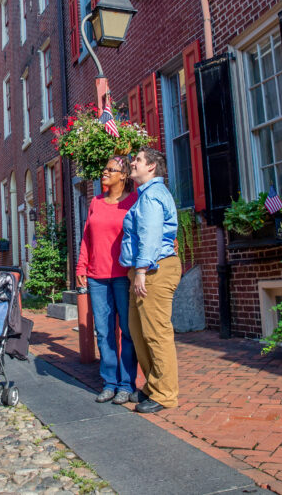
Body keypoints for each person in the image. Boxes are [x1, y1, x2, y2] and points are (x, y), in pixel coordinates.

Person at [120, 147, 180, 414]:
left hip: (154, 269)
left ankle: (165, 394)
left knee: (156, 333)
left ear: (152, 167)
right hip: (143, 270)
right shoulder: (144, 196)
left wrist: (141, 270)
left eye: (138, 160)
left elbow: (151, 236)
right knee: (138, 331)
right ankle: (153, 385)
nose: (133, 163)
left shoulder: (153, 196)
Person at [76, 155, 138, 405]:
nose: (104, 172)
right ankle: (109, 382)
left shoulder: (134, 201)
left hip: (123, 275)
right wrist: (81, 265)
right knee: (103, 332)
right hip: (97, 277)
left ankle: (127, 384)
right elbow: (87, 237)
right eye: (104, 169)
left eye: (110, 170)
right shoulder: (96, 202)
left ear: (123, 176)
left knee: (127, 331)